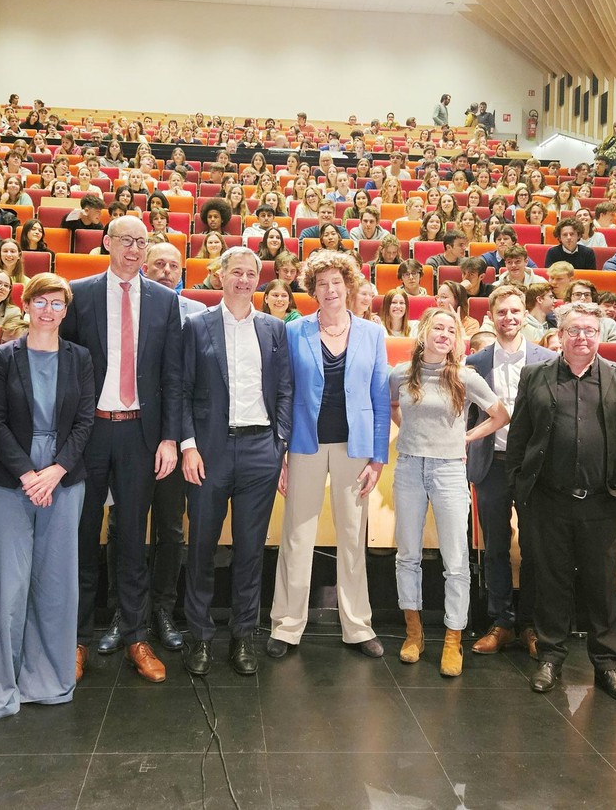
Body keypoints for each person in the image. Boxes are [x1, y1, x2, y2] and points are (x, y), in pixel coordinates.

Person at [506, 302, 616, 704]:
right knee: (551, 580)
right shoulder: (534, 375)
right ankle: (550, 657)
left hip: (604, 502)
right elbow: (519, 433)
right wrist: (520, 486)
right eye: (574, 330)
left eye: (590, 330)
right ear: (560, 334)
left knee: (602, 584)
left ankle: (607, 665)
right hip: (548, 500)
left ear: (600, 334)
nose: (582, 337)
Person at [60, 216, 182, 684]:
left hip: (140, 435)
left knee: (132, 539)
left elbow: (172, 376)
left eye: (141, 242)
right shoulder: (81, 293)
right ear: (107, 243)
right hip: (89, 433)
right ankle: (76, 640)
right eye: (126, 240)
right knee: (82, 537)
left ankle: (134, 636)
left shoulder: (165, 301)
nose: (133, 249)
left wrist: (169, 436)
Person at [0, 273, 95, 719]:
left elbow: (84, 422)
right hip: (12, 477)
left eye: (57, 304)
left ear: (66, 309)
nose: (49, 310)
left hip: (64, 476)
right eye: (41, 301)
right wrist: (28, 474)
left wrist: (55, 471)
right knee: (6, 585)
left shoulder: (80, 358)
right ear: (28, 304)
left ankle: (48, 680)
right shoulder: (3, 357)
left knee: (56, 583)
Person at [267, 249, 390, 660]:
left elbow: (379, 397)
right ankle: (286, 625)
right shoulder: (294, 331)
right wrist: (280, 451)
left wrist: (377, 458)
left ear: (349, 285)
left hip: (354, 448)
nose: (330, 289)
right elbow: (283, 393)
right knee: (297, 536)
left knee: (353, 537)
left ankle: (357, 626)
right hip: (304, 443)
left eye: (337, 281)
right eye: (322, 283)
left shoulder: (372, 333)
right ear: (312, 290)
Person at [180, 248, 293, 677]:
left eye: (251, 273)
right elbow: (182, 390)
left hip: (259, 450)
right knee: (202, 548)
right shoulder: (196, 325)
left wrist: (279, 444)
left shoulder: (273, 329)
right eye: (236, 273)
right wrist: (188, 445)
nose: (244, 280)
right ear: (221, 275)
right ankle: (200, 636)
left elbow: (284, 389)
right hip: (208, 452)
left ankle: (244, 633)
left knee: (250, 550)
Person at [391, 307, 509, 677]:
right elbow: (390, 407)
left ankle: (452, 639)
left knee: (455, 560)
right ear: (424, 332)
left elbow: (500, 414)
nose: (443, 334)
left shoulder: (464, 376)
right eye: (437, 328)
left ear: (457, 339)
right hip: (409, 465)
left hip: (448, 470)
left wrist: (467, 437)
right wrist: (406, 429)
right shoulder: (400, 373)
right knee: (407, 554)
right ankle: (414, 633)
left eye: (450, 330)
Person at [466, 285, 557, 658]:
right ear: (491, 315)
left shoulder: (548, 359)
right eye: (501, 312)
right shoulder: (475, 363)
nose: (509, 318)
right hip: (491, 465)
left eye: (515, 311)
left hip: (535, 468)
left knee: (535, 547)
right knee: (496, 547)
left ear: (525, 314)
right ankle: (501, 621)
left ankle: (529, 624)